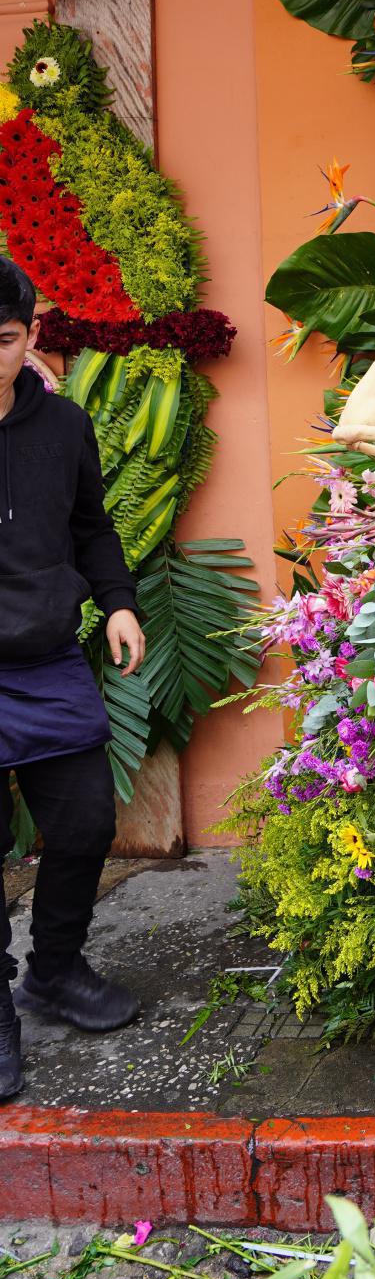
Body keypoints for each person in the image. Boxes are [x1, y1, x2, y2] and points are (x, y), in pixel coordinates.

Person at [0, 259, 146, 1102]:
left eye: (6, 341)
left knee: (87, 821)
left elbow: (92, 526)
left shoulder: (65, 427)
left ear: (33, 336)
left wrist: (118, 602)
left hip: (48, 658)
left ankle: (53, 969)